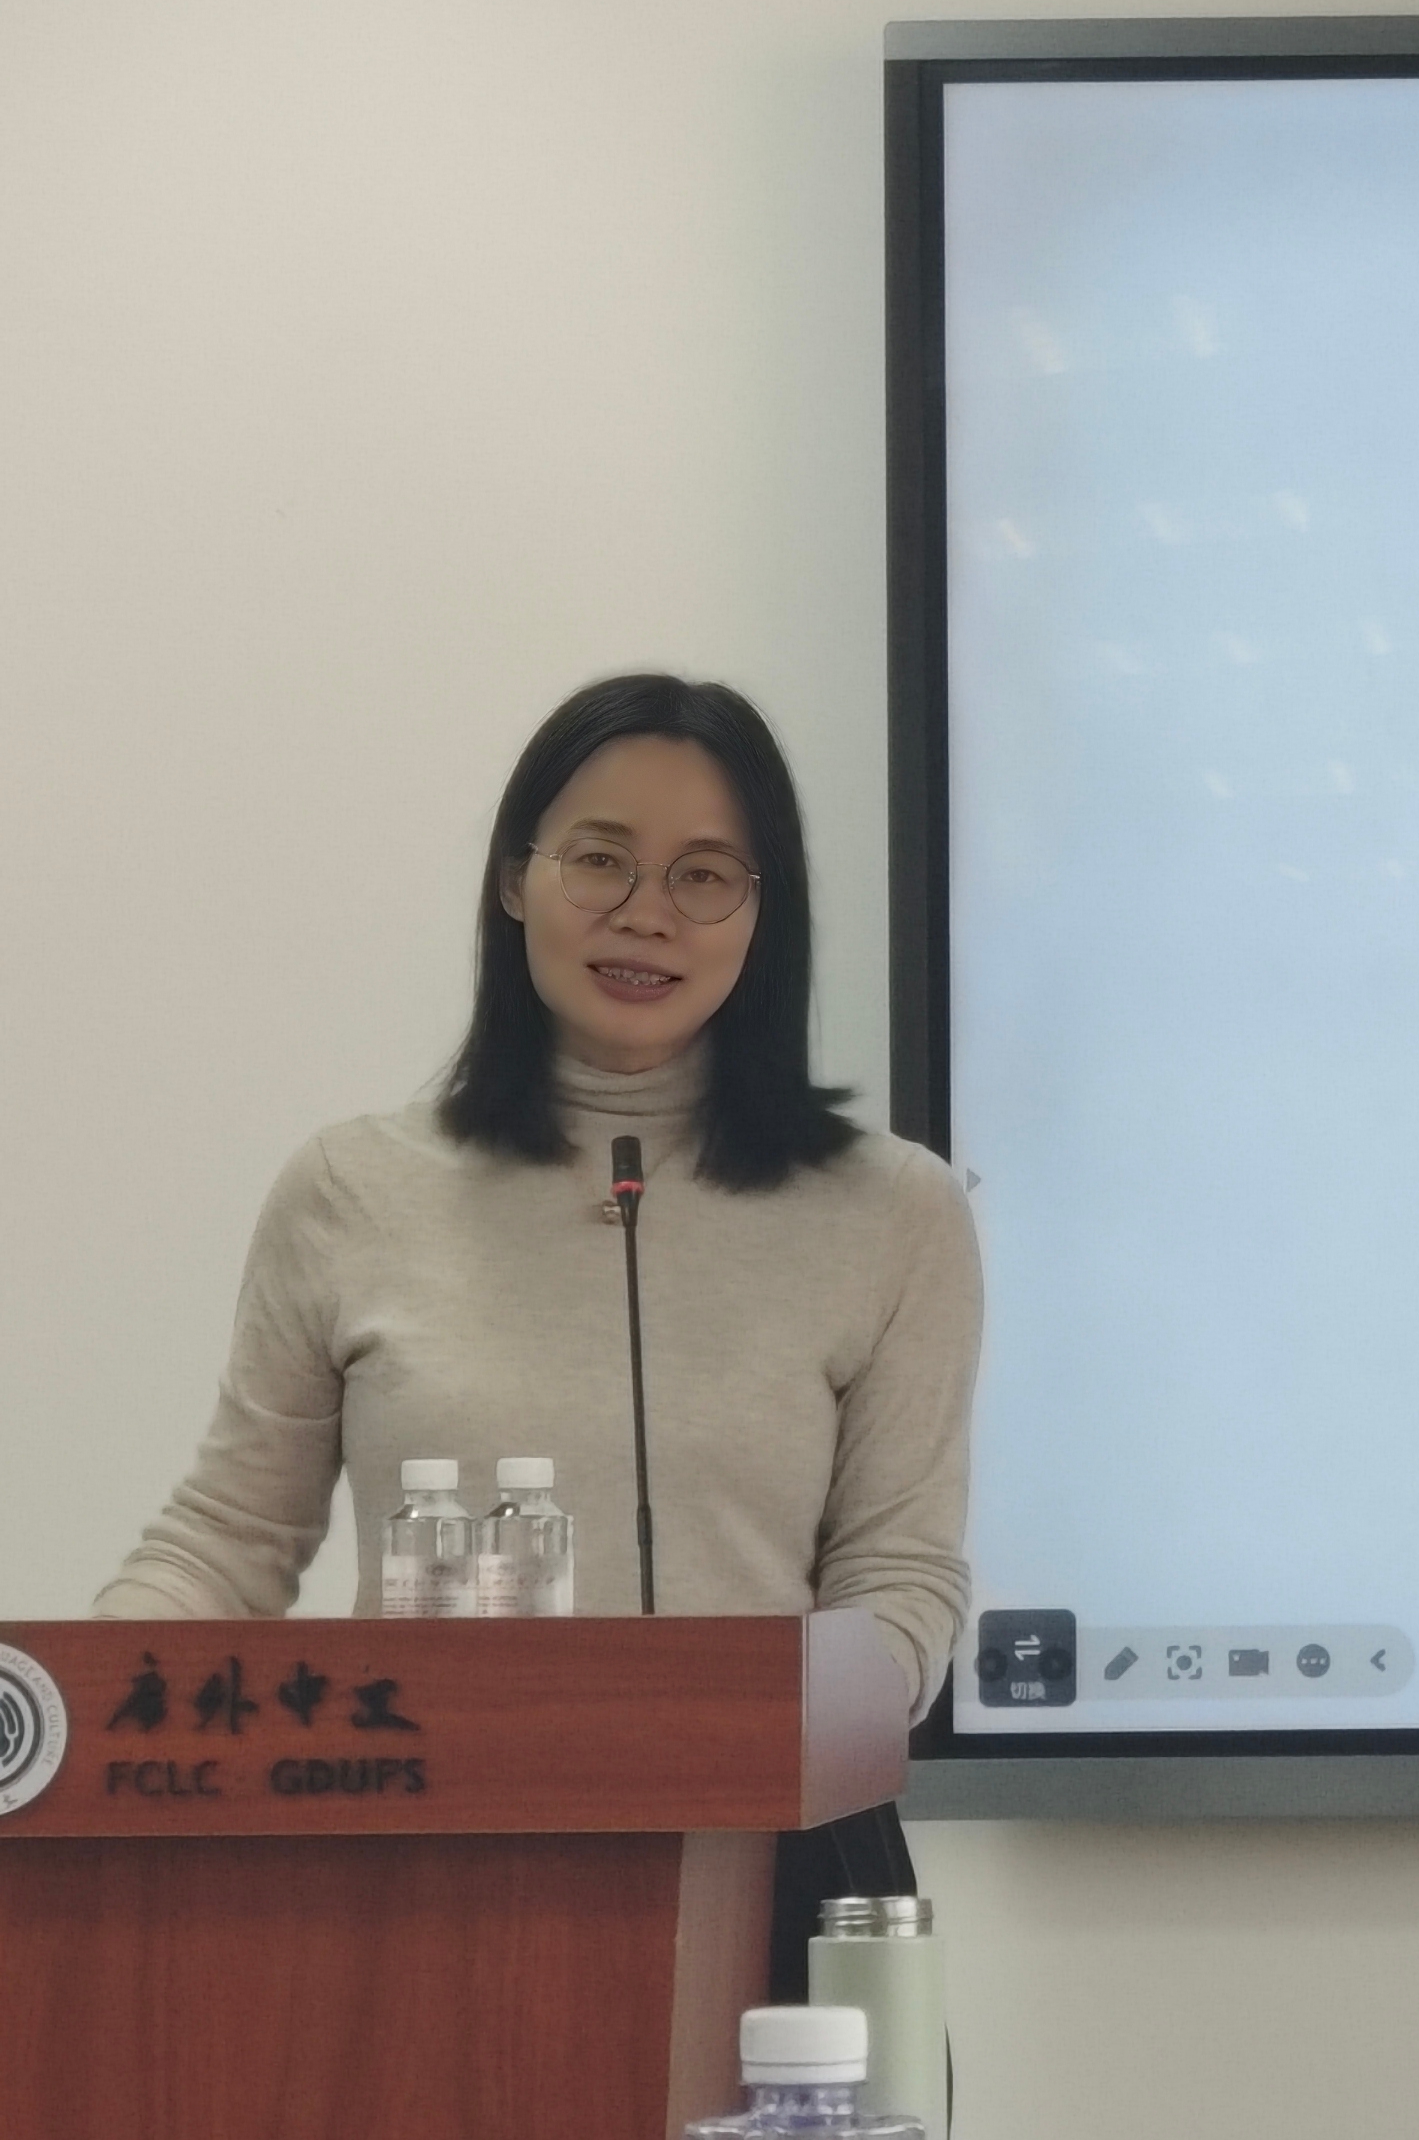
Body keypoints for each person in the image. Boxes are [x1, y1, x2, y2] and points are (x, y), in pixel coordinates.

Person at [95, 673, 979, 1995]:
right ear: (517, 878)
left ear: (764, 912)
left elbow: (898, 1580)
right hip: (427, 1867)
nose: (646, 915)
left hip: (784, 1871)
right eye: (601, 860)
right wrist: (69, 1715)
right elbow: (229, 1539)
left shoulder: (895, 1211)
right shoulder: (351, 1189)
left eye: (704, 877)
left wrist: (766, 1734)